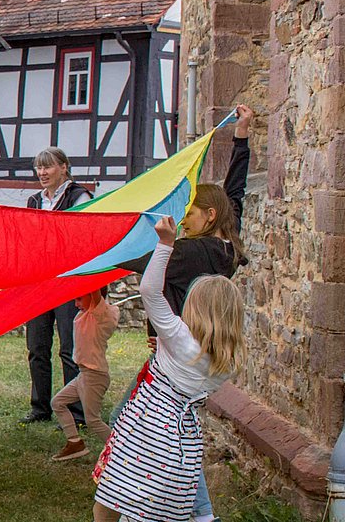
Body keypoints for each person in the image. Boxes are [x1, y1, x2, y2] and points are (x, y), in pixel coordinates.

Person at [111, 104, 254, 520]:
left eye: (190, 210)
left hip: (178, 351)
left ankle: (147, 498)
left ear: (208, 216)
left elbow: (142, 266)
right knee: (174, 434)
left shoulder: (193, 251)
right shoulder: (227, 243)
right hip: (189, 353)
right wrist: (241, 140)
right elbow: (236, 195)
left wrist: (99, 247)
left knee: (142, 427)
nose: (184, 218)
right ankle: (177, 503)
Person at [92, 217, 245, 521]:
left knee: (110, 504)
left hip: (146, 433)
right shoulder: (226, 363)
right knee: (152, 512)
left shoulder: (178, 337)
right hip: (182, 443)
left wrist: (165, 244)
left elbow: (150, 290)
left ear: (196, 307)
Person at [22, 146, 91, 425]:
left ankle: (76, 411)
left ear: (64, 167)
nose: (42, 173)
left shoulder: (80, 196)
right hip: (39, 283)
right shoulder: (35, 201)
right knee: (37, 347)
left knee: (69, 349)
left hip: (68, 283)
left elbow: (82, 238)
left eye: (47, 167)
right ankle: (40, 407)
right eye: (38, 167)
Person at [49, 288, 119, 461]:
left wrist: (91, 275)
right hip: (83, 374)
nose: (76, 304)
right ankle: (75, 443)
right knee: (58, 402)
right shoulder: (87, 315)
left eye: (79, 299)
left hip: (95, 376)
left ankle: (121, 452)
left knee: (93, 420)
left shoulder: (101, 314)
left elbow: (95, 287)